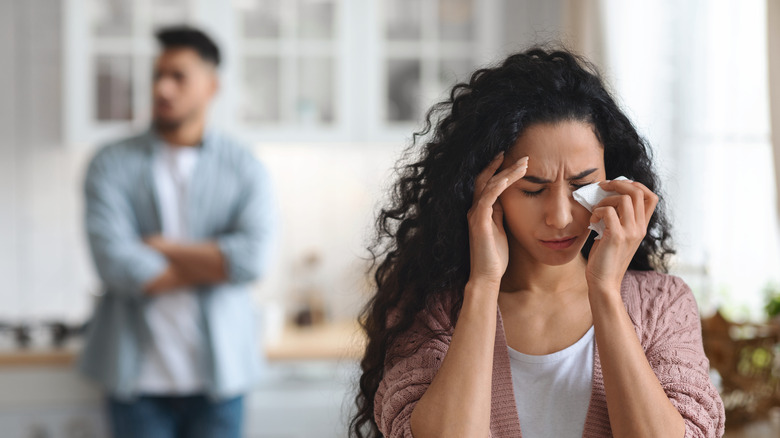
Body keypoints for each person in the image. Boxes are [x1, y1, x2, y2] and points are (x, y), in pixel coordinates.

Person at [351, 47, 725, 437]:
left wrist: (605, 292)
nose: (560, 217)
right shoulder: (431, 311)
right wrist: (483, 285)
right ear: (485, 191)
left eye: (582, 185)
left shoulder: (662, 305)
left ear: (615, 181)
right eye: (532, 189)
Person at [79, 26, 276, 438]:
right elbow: (115, 265)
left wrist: (163, 248)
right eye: (158, 75)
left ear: (211, 86)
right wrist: (217, 264)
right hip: (135, 384)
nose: (162, 88)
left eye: (178, 77)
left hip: (221, 380)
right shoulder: (109, 162)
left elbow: (252, 260)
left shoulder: (243, 165)